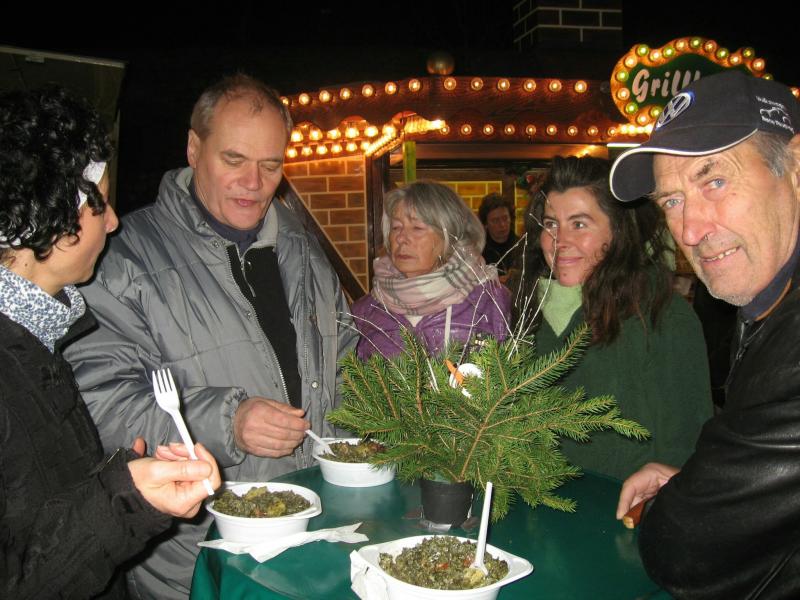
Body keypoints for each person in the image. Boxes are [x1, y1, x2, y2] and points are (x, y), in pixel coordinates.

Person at [64, 74, 357, 599]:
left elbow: (348, 370)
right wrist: (229, 421)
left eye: (271, 165)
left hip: (314, 536)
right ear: (194, 149)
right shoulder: (122, 259)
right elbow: (98, 406)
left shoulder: (305, 251)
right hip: (199, 558)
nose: (254, 182)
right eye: (234, 159)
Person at [0, 86, 221, 599]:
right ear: (55, 221)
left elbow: (39, 505)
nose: (115, 221)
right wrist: (125, 499)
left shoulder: (38, 336)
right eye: (100, 204)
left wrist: (122, 478)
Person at [611, 71, 800, 598]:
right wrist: (708, 483)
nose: (690, 231)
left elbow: (683, 548)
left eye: (713, 181)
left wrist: (685, 502)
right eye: (671, 201)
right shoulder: (767, 299)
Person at [515, 155, 712, 480]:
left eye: (579, 224)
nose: (559, 241)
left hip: (623, 505)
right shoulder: (528, 309)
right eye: (551, 224)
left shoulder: (662, 314)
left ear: (619, 231)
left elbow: (686, 444)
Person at [351, 181, 510, 360]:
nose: (401, 238)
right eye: (396, 227)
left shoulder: (488, 302)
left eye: (417, 228)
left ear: (449, 235)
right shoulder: (365, 312)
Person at [478, 192, 518, 280]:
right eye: (495, 221)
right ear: (486, 224)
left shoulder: (522, 246)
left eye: (505, 218)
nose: (502, 224)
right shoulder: (479, 250)